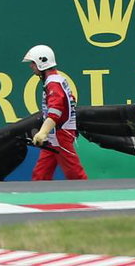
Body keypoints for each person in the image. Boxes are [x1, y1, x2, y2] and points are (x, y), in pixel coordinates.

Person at [23, 44, 87, 180]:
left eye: (33, 63)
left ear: (41, 62)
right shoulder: (57, 80)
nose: (31, 66)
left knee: (75, 174)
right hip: (55, 135)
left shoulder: (53, 83)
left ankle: (89, 193)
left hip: (60, 134)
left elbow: (56, 110)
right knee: (40, 174)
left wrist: (43, 132)